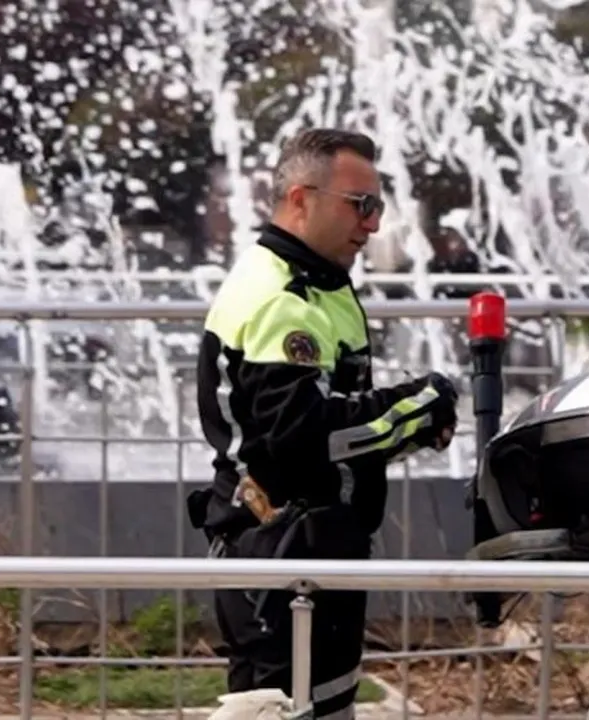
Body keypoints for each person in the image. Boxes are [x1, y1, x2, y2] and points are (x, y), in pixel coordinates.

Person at [187, 128, 460, 719]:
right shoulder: (280, 297)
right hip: (279, 555)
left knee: (325, 707)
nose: (373, 224)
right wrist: (417, 407)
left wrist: (405, 428)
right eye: (360, 205)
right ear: (300, 200)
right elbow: (303, 439)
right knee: (279, 711)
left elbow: (335, 433)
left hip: (314, 548)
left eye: (379, 206)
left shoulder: (319, 285)